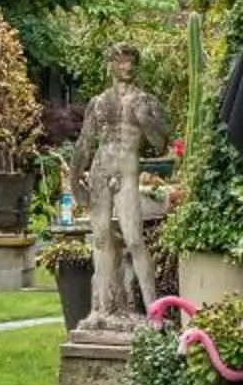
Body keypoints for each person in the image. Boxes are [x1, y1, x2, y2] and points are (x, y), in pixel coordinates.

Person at [68, 46, 174, 332]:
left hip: (127, 173)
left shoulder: (144, 100)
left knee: (134, 240)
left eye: (131, 62)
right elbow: (84, 143)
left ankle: (153, 312)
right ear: (111, 65)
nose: (127, 67)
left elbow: (161, 143)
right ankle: (100, 309)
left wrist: (145, 119)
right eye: (122, 62)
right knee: (101, 239)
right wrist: (74, 180)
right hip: (101, 171)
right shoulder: (99, 102)